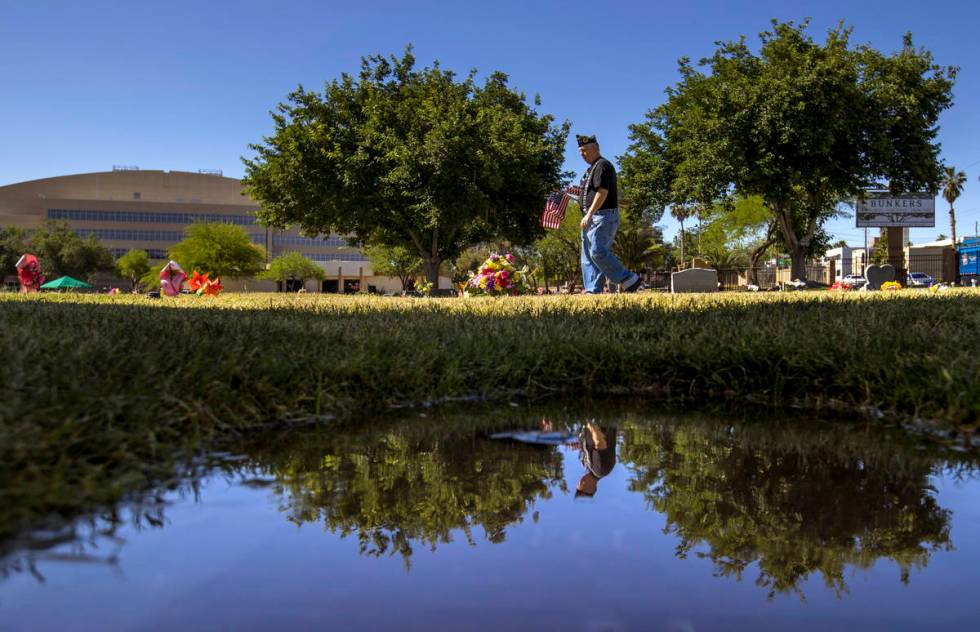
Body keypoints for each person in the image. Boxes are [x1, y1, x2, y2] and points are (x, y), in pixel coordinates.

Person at [576, 134, 643, 294]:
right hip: (590, 218)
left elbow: (602, 192)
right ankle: (593, 290)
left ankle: (628, 279)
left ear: (595, 149)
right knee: (588, 258)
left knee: (597, 252)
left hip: (602, 216)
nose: (582, 154)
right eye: (580, 151)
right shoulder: (590, 170)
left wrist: (589, 214)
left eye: (585, 150)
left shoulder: (603, 165)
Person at [575, 420, 618, 498]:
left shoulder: (588, 467)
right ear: (590, 488)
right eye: (582, 485)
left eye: (578, 484)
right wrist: (589, 423)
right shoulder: (600, 470)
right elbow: (600, 442)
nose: (580, 481)